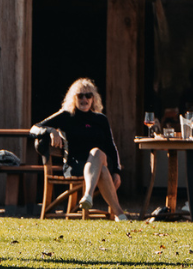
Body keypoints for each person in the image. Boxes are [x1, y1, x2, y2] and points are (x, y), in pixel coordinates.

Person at [29, 78, 129, 221]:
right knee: (102, 169)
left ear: (93, 99)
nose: (84, 99)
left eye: (88, 95)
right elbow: (34, 128)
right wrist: (51, 130)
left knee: (97, 153)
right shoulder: (66, 116)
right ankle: (120, 215)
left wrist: (117, 172)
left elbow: (111, 146)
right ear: (73, 98)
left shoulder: (101, 119)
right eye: (80, 96)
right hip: (75, 165)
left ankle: (87, 195)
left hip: (100, 161)